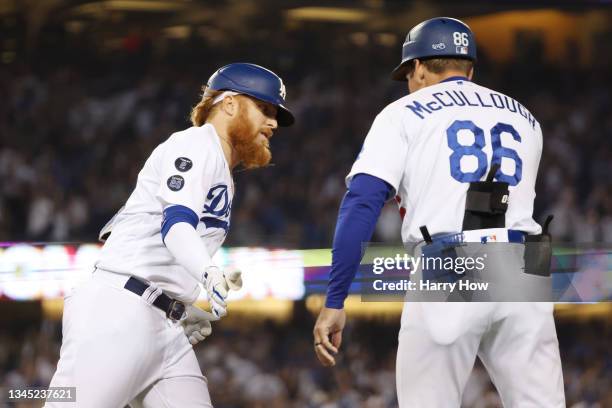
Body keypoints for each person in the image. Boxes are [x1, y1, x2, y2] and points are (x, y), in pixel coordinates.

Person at [313, 17, 565, 407]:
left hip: (452, 261)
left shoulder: (403, 112)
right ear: (470, 68)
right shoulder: (524, 116)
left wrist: (335, 298)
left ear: (417, 67)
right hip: (526, 264)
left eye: (408, 75)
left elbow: (362, 203)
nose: (409, 84)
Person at [45, 63, 294, 408]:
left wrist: (180, 303)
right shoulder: (195, 143)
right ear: (230, 104)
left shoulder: (222, 168)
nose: (273, 122)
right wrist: (207, 273)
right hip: (120, 310)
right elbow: (175, 224)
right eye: (265, 109)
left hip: (162, 325)